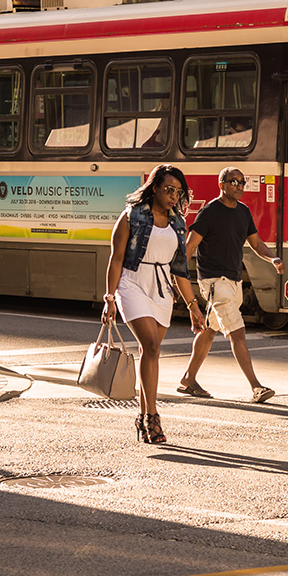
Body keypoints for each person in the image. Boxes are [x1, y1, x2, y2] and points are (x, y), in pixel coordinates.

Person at [103, 164, 206, 444]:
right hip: (132, 283)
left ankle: (142, 415)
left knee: (151, 352)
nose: (174, 196)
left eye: (178, 192)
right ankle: (153, 417)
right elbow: (116, 259)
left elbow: (180, 269)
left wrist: (194, 307)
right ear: (155, 188)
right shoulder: (130, 217)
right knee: (150, 344)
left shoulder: (177, 222)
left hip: (161, 288)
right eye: (169, 189)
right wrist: (109, 298)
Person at [178, 167, 285, 403]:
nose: (239, 186)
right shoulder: (209, 213)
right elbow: (188, 248)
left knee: (209, 331)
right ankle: (256, 387)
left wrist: (273, 258)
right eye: (233, 181)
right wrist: (178, 279)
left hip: (233, 281)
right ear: (221, 184)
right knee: (238, 332)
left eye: (242, 182)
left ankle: (188, 379)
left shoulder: (243, 212)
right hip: (215, 282)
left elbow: (256, 244)